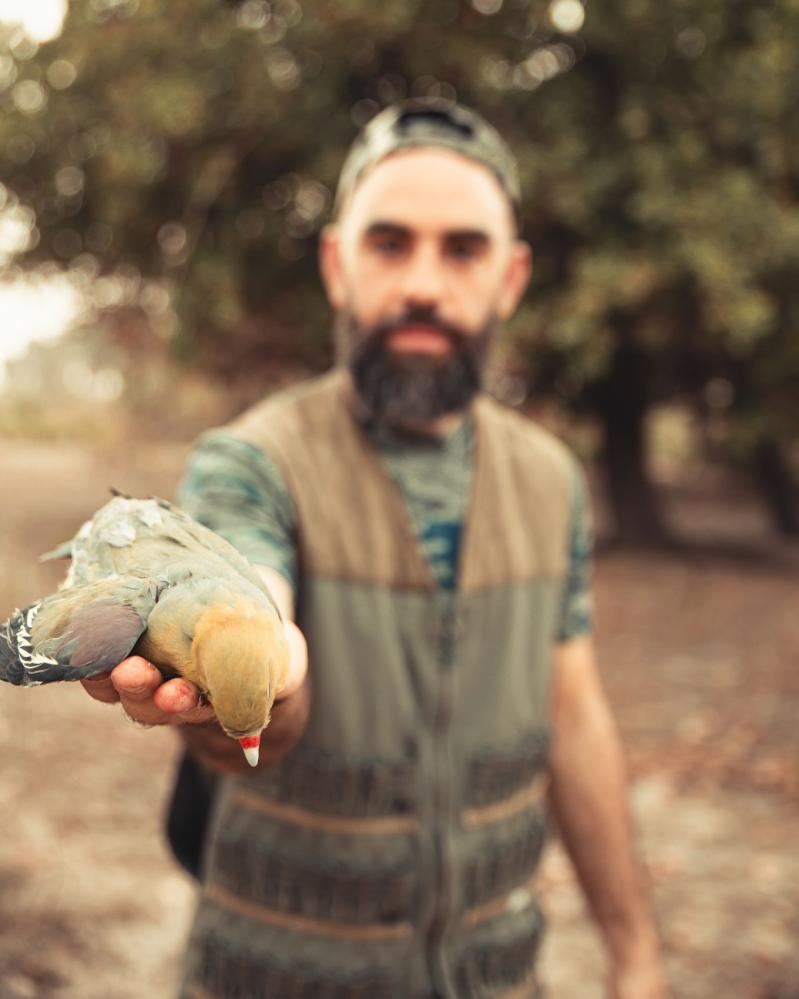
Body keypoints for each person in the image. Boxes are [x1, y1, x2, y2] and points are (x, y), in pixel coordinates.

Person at [81, 100, 668, 998]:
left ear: (510, 279)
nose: (423, 283)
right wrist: (258, 665)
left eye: (461, 249)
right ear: (335, 265)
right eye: (389, 243)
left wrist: (634, 954)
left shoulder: (552, 481)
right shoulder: (251, 463)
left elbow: (575, 716)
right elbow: (249, 615)